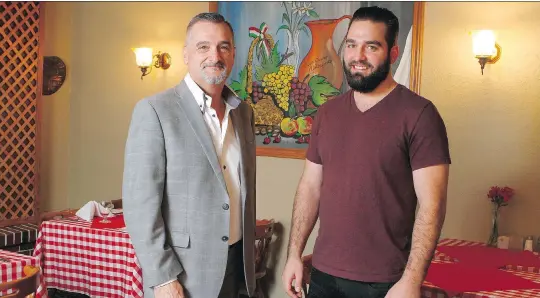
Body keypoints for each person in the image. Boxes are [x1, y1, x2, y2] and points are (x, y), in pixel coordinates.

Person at [282, 6, 451, 298]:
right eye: (351, 45)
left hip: (385, 282)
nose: (358, 56)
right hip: (323, 275)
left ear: (393, 54)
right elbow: (310, 187)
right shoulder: (328, 113)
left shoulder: (420, 114)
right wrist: (294, 255)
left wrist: (411, 281)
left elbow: (431, 205)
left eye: (371, 47)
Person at [122, 12, 256, 298]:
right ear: (186, 54)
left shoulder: (243, 113)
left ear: (233, 54)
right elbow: (139, 207)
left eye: (223, 46)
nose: (214, 55)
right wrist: (162, 278)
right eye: (203, 46)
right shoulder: (156, 111)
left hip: (236, 268)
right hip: (183, 276)